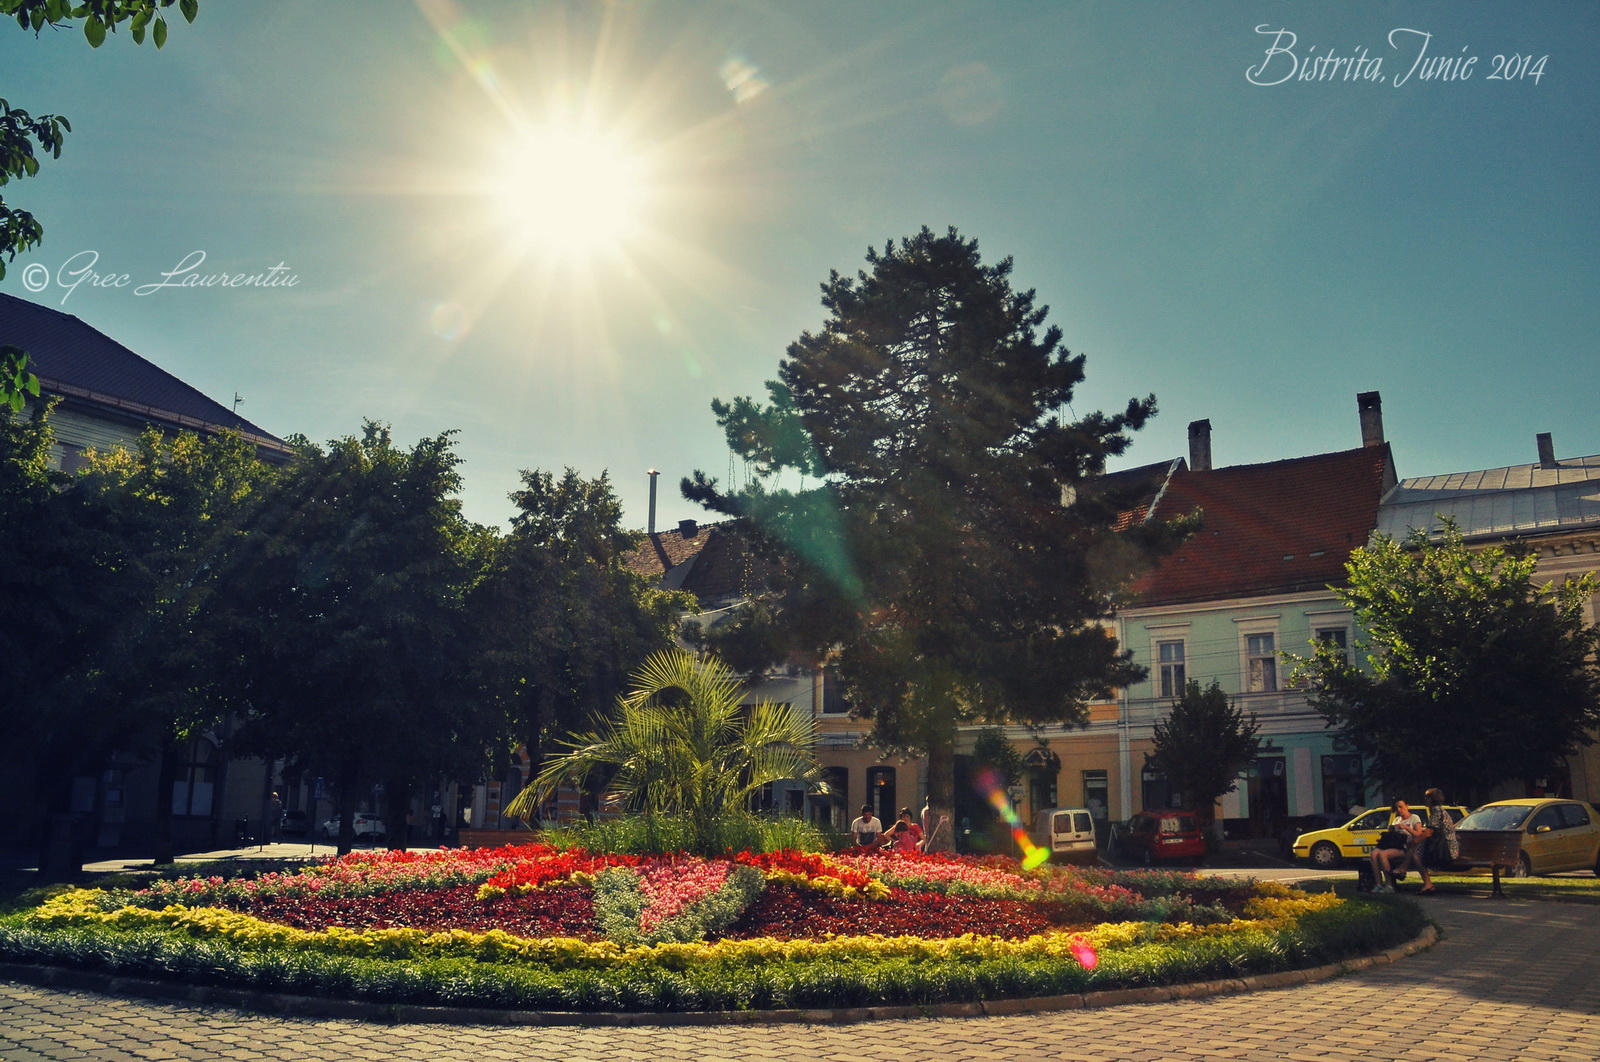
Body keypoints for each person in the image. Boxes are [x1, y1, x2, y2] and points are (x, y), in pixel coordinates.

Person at [1403, 788, 1452, 894]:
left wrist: (1415, 841)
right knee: (1415, 847)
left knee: (1416, 852)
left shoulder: (1437, 811)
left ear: (1431, 799)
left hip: (1446, 849)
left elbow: (1429, 832)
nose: (1425, 799)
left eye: (1426, 797)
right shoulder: (1439, 810)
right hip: (1442, 846)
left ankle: (1427, 883)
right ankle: (1403, 869)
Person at [1370, 799, 1422, 893]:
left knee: (1383, 854)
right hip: (1394, 845)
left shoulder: (1414, 818)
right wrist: (1391, 830)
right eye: (1397, 807)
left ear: (1407, 806)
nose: (1399, 809)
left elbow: (1419, 834)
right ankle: (1378, 884)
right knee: (1374, 853)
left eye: (1401, 807)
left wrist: (1406, 828)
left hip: (1406, 847)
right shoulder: (1396, 819)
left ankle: (1389, 885)